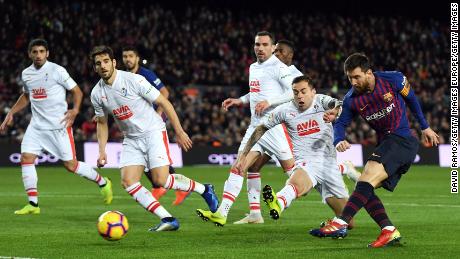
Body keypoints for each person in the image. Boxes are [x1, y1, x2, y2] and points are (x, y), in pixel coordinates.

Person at [309, 53, 440, 248]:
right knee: (364, 187)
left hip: (402, 139)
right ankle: (388, 230)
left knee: (368, 174)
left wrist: (425, 126)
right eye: (349, 78)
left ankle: (341, 222)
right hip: (387, 144)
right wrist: (338, 139)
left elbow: (412, 99)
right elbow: (341, 123)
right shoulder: (352, 99)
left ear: (369, 72)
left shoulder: (393, 79)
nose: (353, 82)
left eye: (356, 77)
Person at [89, 45, 218, 231]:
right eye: (98, 63)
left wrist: (179, 131)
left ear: (114, 63)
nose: (103, 66)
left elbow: (164, 102)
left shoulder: (134, 80)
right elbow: (102, 123)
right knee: (128, 182)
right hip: (131, 139)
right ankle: (168, 219)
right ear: (95, 68)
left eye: (106, 61)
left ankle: (205, 190)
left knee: (160, 181)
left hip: (153, 132)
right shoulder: (96, 94)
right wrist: (102, 150)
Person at [233, 40, 360, 225]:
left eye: (303, 91)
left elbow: (339, 105)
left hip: (329, 164)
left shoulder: (321, 100)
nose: (299, 96)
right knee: (298, 180)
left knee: (349, 223)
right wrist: (244, 153)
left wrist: (335, 112)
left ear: (312, 91)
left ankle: (332, 217)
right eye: (295, 92)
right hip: (306, 161)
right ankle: (279, 202)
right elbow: (260, 128)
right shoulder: (285, 110)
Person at [0, 39, 113, 215]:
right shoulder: (26, 74)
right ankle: (33, 204)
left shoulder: (57, 70)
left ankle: (103, 182)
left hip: (59, 126)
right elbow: (26, 95)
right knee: (26, 158)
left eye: (41, 51)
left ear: (47, 53)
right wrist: (11, 112)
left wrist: (75, 110)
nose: (38, 55)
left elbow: (77, 91)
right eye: (35, 52)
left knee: (71, 165)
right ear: (29, 54)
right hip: (36, 126)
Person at [196, 31, 298, 226]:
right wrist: (239, 100)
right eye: (257, 44)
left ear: (272, 47)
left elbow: (291, 93)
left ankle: (333, 179)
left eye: (264, 44)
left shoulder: (279, 68)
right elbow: (256, 93)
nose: (260, 48)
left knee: (296, 175)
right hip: (255, 127)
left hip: (274, 127)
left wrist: (270, 101)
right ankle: (222, 213)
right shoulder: (253, 67)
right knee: (239, 165)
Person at [121, 46, 190, 206]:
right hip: (135, 124)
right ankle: (161, 186)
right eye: (125, 56)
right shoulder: (122, 76)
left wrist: (159, 112)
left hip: (151, 122)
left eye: (131, 56)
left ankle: (175, 187)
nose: (128, 59)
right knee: (143, 157)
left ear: (137, 58)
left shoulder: (146, 74)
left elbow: (165, 93)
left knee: (152, 156)